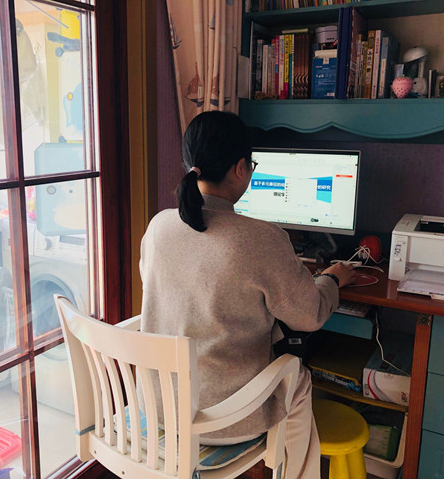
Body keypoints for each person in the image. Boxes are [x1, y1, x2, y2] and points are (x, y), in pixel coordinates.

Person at [139, 111, 355, 479]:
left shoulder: (159, 225)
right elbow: (309, 316)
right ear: (241, 168)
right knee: (297, 377)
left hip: (158, 405)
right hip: (224, 419)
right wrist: (332, 279)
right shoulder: (261, 238)